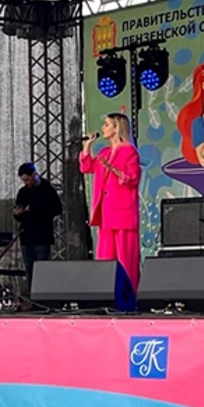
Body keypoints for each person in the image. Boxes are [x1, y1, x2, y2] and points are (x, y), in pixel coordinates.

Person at [79, 113, 142, 289]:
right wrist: (87, 147)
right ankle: (106, 292)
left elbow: (133, 178)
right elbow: (87, 167)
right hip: (106, 213)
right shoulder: (104, 152)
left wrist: (114, 170)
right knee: (105, 257)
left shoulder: (129, 151)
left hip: (123, 213)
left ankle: (128, 294)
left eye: (107, 124)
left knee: (125, 259)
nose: (103, 128)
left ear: (116, 128)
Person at [13, 162, 63, 280]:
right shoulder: (23, 192)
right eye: (24, 180)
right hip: (26, 237)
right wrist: (17, 214)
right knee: (29, 271)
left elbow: (57, 209)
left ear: (34, 174)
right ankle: (30, 291)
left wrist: (34, 209)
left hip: (42, 236)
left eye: (27, 179)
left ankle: (42, 291)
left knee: (42, 271)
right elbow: (19, 215)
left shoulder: (47, 189)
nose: (26, 183)